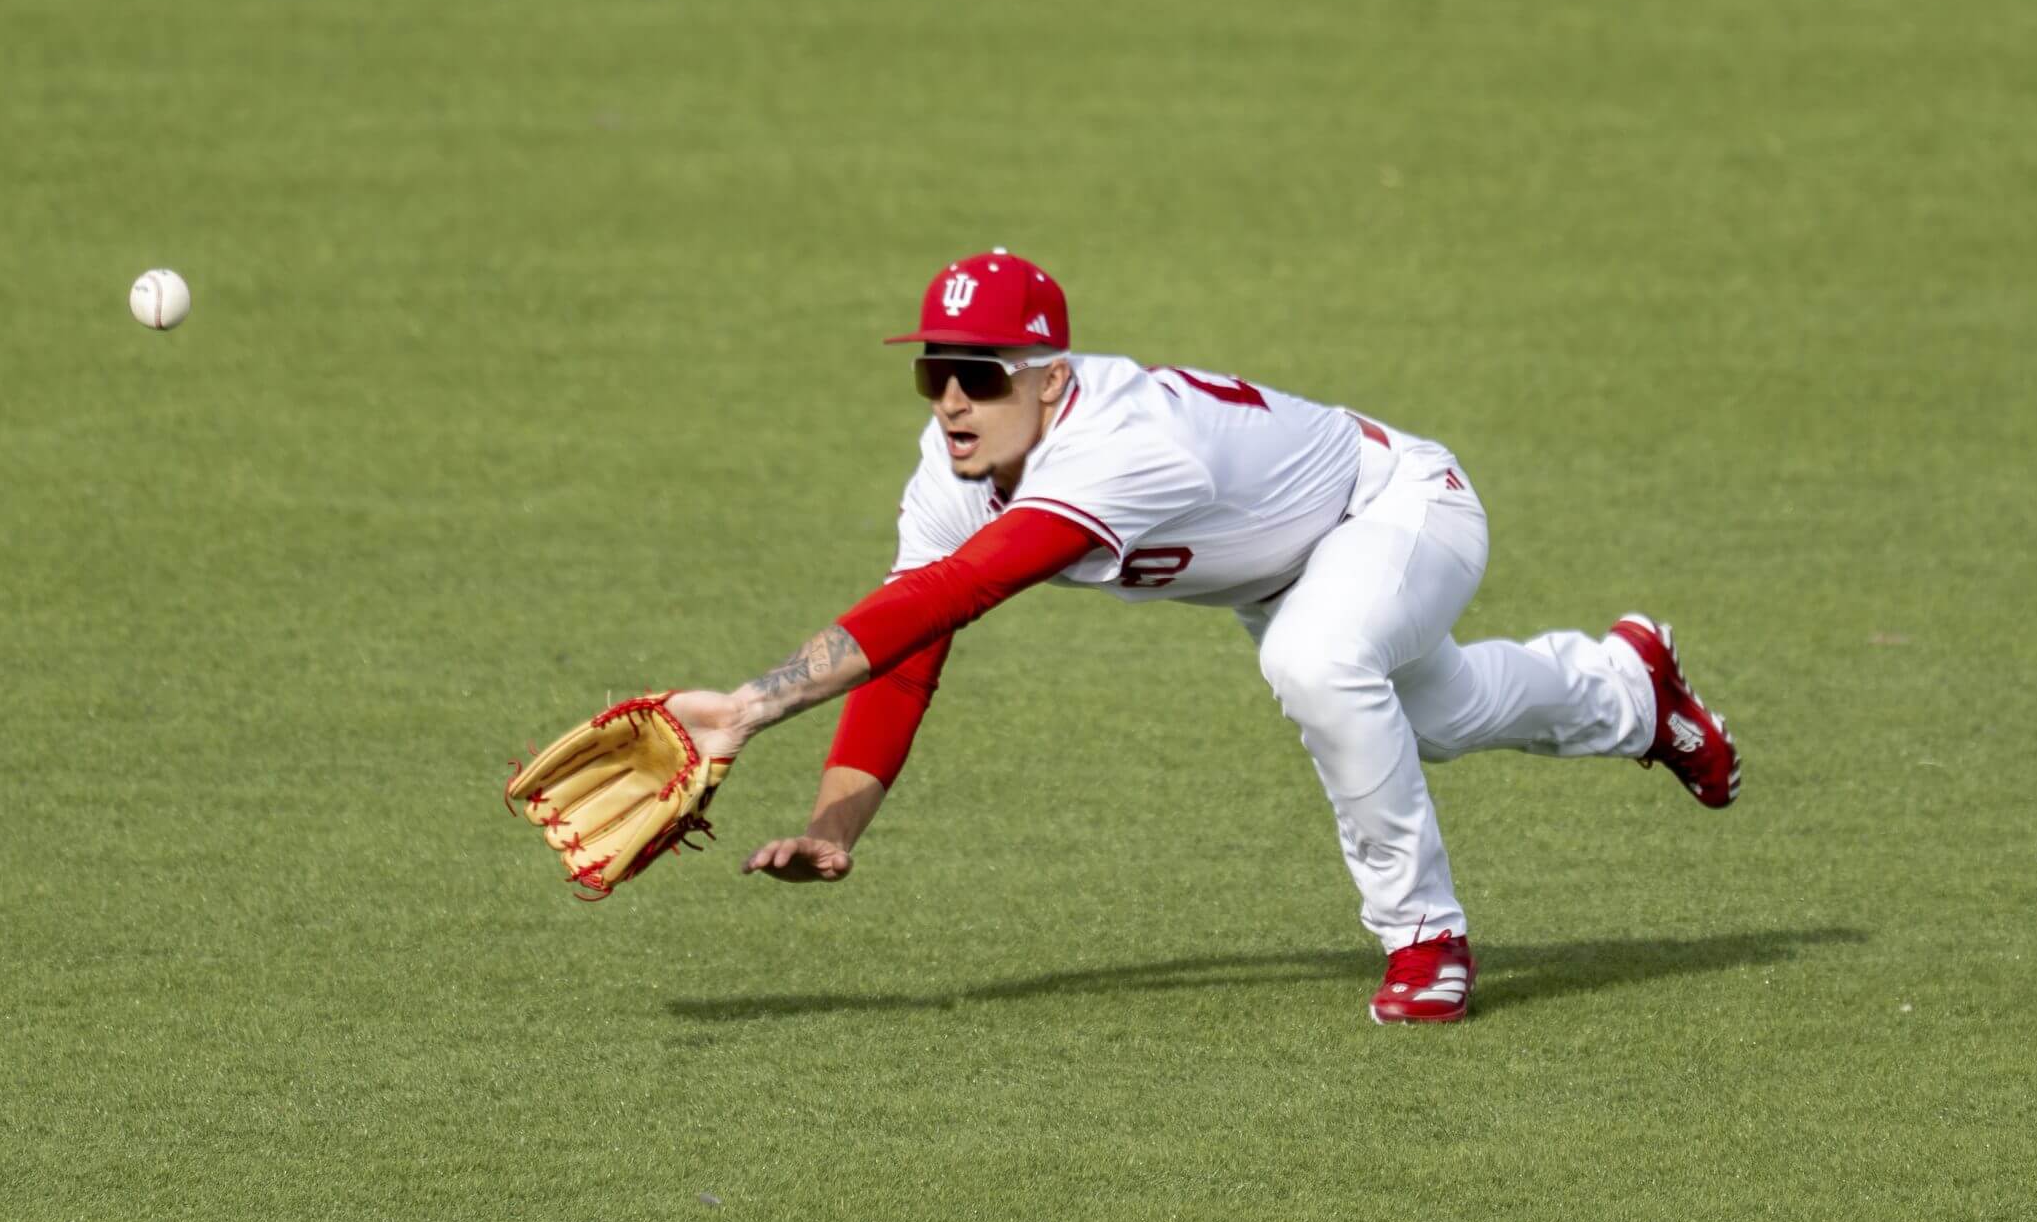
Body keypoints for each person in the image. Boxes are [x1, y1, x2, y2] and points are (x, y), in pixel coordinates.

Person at [664, 250, 1738, 1024]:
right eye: (933, 371)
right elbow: (912, 640)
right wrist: (836, 822)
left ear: (1048, 376)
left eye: (981, 374)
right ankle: (1629, 689)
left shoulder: (1121, 445)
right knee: (1438, 717)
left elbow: (965, 590)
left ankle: (1425, 940)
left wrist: (754, 703)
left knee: (1316, 663)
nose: (952, 399)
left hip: (1401, 507)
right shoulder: (953, 466)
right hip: (1291, 569)